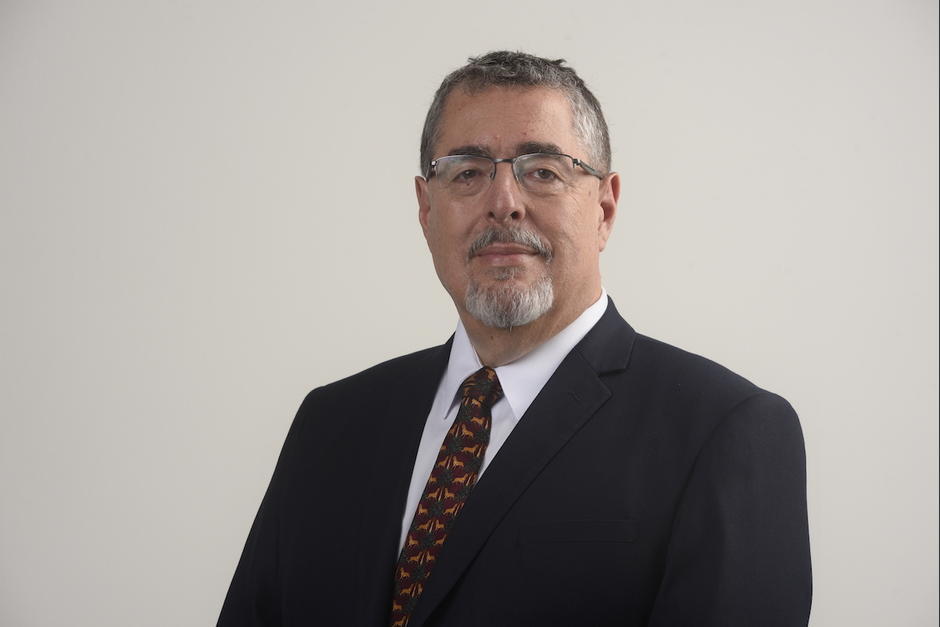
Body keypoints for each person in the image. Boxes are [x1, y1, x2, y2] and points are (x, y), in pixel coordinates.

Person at [218, 51, 812, 627]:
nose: (503, 204)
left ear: (604, 208)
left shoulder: (723, 431)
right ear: (426, 209)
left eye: (543, 171)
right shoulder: (331, 423)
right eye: (468, 172)